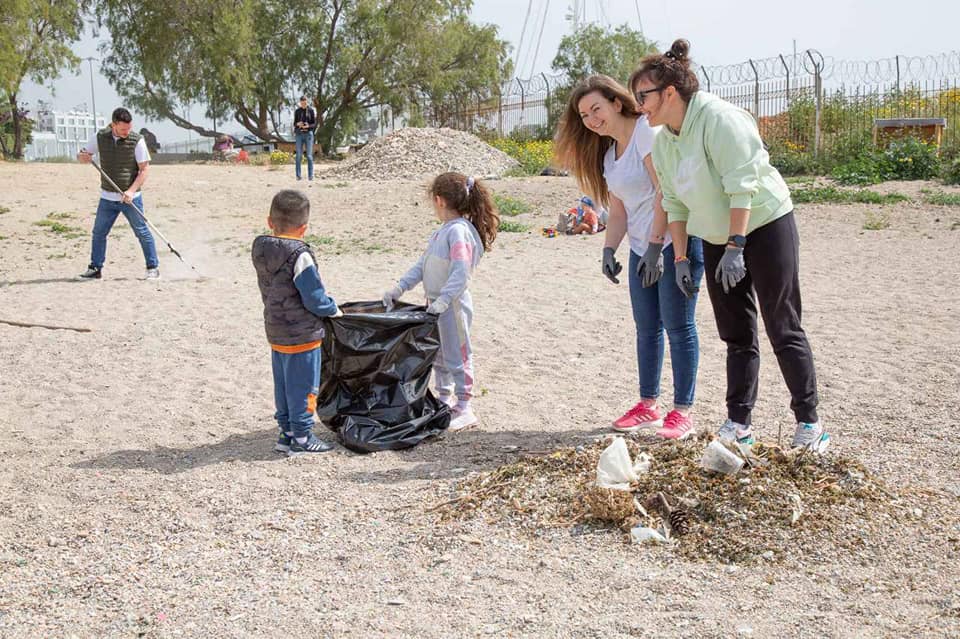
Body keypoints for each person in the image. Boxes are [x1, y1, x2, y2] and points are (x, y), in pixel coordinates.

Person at [631, 39, 828, 452]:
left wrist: (738, 245)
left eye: (643, 96)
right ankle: (739, 422)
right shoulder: (665, 140)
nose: (639, 105)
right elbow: (674, 201)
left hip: (764, 222)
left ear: (670, 92)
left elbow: (743, 186)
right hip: (719, 235)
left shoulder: (719, 119)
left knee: (782, 324)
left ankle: (810, 424)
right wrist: (680, 257)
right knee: (736, 333)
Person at [555, 75, 704, 440]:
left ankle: (682, 411)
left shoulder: (646, 133)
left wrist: (656, 247)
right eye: (585, 115)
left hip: (674, 244)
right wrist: (609, 249)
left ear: (617, 102)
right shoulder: (610, 154)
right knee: (646, 328)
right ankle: (647, 404)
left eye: (596, 109)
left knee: (678, 326)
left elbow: (665, 192)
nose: (591, 119)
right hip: (642, 249)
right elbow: (618, 209)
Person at [381, 172, 499, 432]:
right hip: (434, 305)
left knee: (458, 354)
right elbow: (423, 265)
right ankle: (444, 397)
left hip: (452, 306)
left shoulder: (458, 233)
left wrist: (445, 300)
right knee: (439, 354)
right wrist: (399, 288)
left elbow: (461, 272)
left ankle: (465, 406)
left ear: (439, 200)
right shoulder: (441, 232)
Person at [252, 189, 342, 456]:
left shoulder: (260, 247)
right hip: (302, 334)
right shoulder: (300, 255)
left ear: (270, 221)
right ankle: (303, 437)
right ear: (304, 228)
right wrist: (332, 308)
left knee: (283, 384)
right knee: (304, 386)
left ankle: (286, 433)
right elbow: (313, 297)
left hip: (276, 330)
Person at [77, 107, 159, 280]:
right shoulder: (100, 137)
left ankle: (153, 267)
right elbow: (84, 154)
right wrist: (82, 157)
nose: (126, 132)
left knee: (142, 232)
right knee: (99, 233)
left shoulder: (137, 141)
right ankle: (95, 268)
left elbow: (144, 170)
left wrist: (131, 191)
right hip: (107, 197)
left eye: (129, 128)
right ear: (113, 125)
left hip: (130, 198)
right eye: (123, 129)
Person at [293, 96, 317, 181]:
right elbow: (294, 124)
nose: (303, 104)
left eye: (305, 102)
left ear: (307, 102)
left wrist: (308, 126)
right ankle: (298, 176)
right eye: (302, 102)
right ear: (300, 102)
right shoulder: (297, 111)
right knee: (298, 155)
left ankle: (310, 176)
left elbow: (314, 124)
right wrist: (298, 124)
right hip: (299, 134)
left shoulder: (311, 110)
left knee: (309, 156)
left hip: (308, 134)